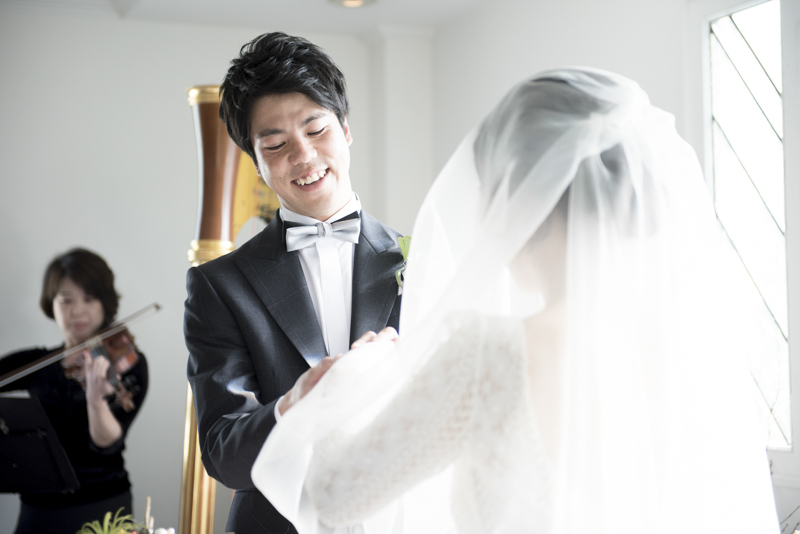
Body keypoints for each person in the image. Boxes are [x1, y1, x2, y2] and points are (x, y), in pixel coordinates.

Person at [250, 68, 780, 533]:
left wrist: (350, 378)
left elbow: (338, 496)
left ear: (523, 201)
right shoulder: (701, 348)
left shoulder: (491, 353)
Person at [183, 32, 405, 533]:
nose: (303, 156)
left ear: (345, 129)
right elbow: (223, 453)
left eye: (316, 129)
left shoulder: (421, 259)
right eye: (276, 145)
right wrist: (293, 405)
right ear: (256, 163)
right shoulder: (218, 285)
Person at [0, 248, 149, 534]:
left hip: (101, 507)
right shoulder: (38, 363)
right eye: (66, 300)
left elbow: (107, 444)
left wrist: (96, 400)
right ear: (51, 304)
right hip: (37, 509)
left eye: (89, 299)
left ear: (105, 303)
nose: (77, 310)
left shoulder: (127, 363)